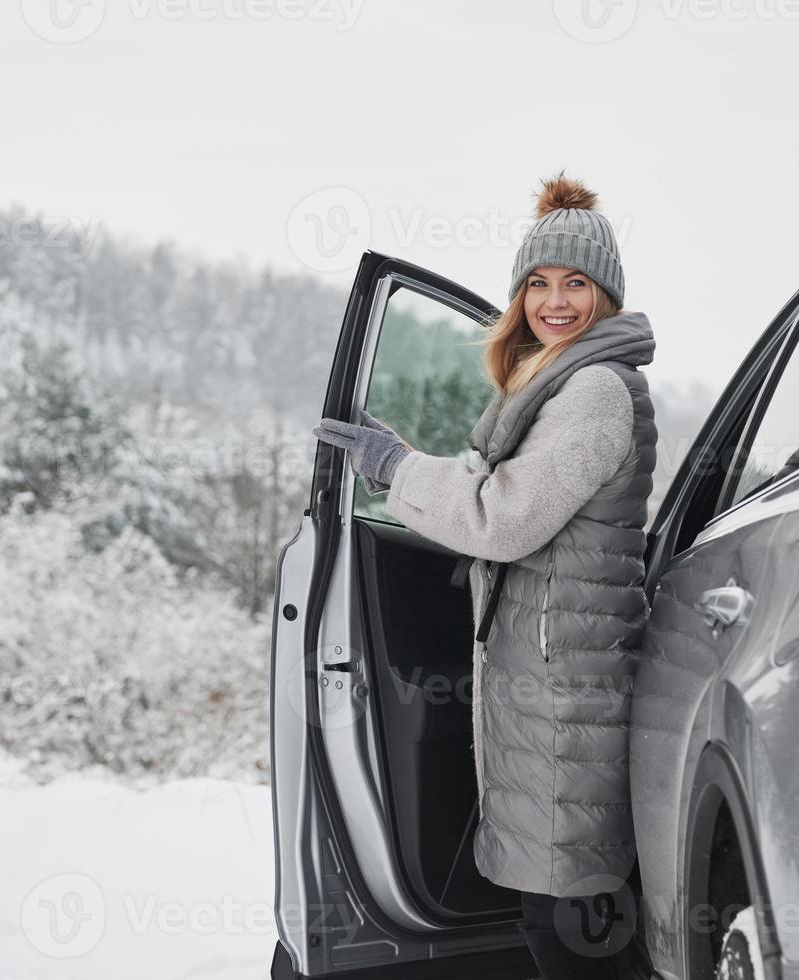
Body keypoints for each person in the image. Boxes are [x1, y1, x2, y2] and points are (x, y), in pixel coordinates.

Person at [313, 173, 658, 979]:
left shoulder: (596, 391)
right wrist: (401, 471)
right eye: (537, 283)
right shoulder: (565, 385)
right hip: (556, 687)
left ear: (605, 295)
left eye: (576, 283)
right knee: (558, 920)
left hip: (568, 694)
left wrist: (396, 466)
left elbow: (503, 519)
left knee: (570, 929)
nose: (555, 301)